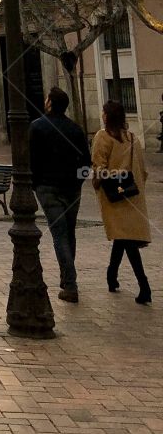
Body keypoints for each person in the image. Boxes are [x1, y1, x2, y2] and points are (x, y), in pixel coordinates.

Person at [29, 86, 91, 302]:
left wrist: (35, 184)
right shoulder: (76, 129)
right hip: (71, 188)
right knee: (69, 232)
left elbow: (31, 160)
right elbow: (86, 163)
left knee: (59, 234)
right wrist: (77, 181)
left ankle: (71, 285)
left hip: (47, 188)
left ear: (49, 103)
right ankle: (67, 281)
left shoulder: (37, 127)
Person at [92, 99, 152, 304]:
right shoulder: (132, 138)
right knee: (123, 235)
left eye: (103, 112)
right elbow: (142, 170)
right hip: (131, 194)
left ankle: (144, 285)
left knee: (125, 239)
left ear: (107, 116)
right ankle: (112, 276)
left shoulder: (103, 137)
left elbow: (98, 167)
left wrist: (96, 182)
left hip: (113, 196)